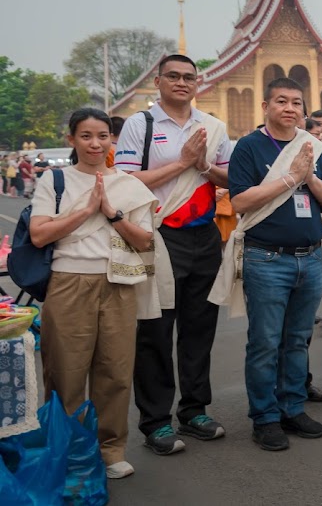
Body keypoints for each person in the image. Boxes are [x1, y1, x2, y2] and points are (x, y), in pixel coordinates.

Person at [31, 108, 158, 479]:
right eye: (85, 136)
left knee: (115, 372)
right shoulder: (55, 180)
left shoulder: (129, 185)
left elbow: (145, 240)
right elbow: (39, 234)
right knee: (65, 373)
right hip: (68, 283)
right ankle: (69, 452)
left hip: (118, 284)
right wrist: (87, 210)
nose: (95, 144)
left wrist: (112, 214)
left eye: (102, 136)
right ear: (71, 139)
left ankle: (110, 450)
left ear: (111, 139)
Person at [115, 54, 232, 455]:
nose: (182, 83)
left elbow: (230, 177)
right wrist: (182, 163)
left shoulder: (212, 126)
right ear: (159, 81)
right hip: (159, 234)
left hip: (205, 235)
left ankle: (194, 410)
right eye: (174, 76)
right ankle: (155, 421)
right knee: (156, 329)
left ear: (197, 83)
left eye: (189, 77)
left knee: (200, 328)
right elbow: (125, 181)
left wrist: (203, 166)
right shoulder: (141, 125)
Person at [219, 77, 322, 451]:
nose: (290, 108)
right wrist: (290, 178)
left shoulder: (313, 146)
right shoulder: (249, 147)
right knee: (265, 342)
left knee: (297, 340)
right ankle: (265, 417)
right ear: (266, 106)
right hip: (267, 258)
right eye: (282, 101)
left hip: (310, 257)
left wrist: (309, 177)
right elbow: (240, 201)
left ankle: (292, 407)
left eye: (296, 102)